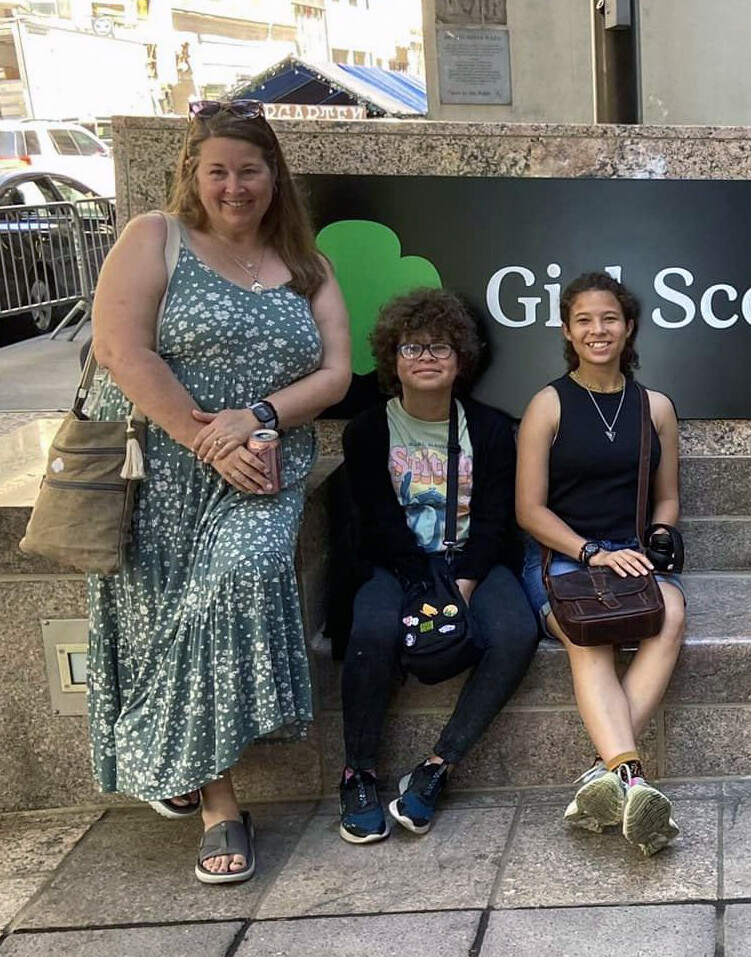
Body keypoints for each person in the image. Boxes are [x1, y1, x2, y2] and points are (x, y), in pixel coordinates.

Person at [86, 99, 351, 882]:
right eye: (219, 172)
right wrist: (206, 439)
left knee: (234, 580)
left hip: (264, 461)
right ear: (193, 176)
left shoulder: (308, 264)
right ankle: (217, 801)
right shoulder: (154, 238)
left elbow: (334, 373)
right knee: (162, 610)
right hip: (159, 466)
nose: (234, 186)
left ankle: (156, 745)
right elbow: (119, 348)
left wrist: (256, 419)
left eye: (249, 170)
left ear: (275, 176)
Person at [337, 288, 538, 843]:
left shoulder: (493, 431)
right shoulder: (369, 431)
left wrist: (464, 586)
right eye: (412, 347)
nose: (426, 358)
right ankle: (359, 772)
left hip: (472, 560)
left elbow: (498, 520)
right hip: (397, 564)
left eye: (440, 348)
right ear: (392, 358)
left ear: (461, 360)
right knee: (373, 628)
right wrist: (420, 588)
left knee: (517, 631)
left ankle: (436, 767)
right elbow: (377, 520)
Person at [516, 271, 687, 857]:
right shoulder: (548, 405)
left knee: (671, 613)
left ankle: (605, 774)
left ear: (628, 326)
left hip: (632, 559)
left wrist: (660, 534)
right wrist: (592, 552)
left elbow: (666, 496)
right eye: (584, 319)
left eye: (609, 318)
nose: (598, 329)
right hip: (563, 559)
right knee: (588, 635)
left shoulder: (655, 407)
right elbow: (528, 510)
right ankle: (631, 777)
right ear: (567, 330)